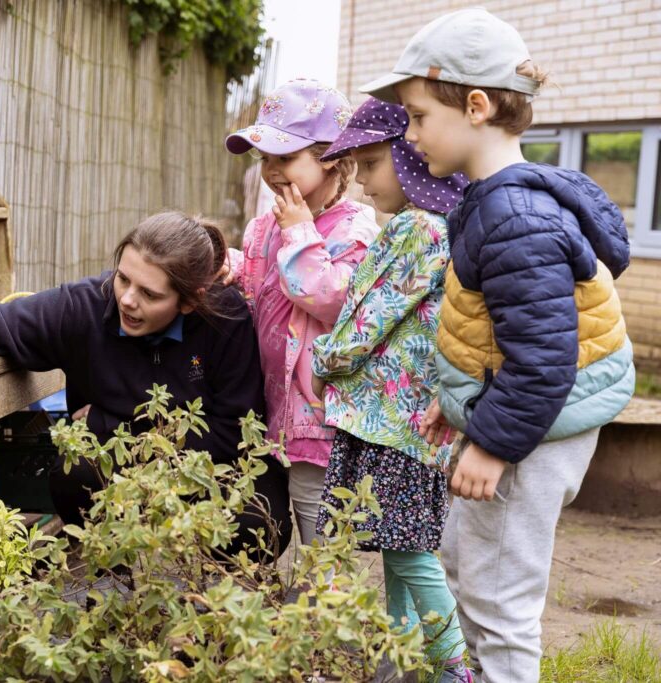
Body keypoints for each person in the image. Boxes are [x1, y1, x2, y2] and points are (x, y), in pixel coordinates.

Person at [362, 9, 635, 681]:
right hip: (521, 417)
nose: (413, 133)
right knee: (463, 561)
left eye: (419, 116)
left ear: (476, 106)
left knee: (499, 601)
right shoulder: (497, 200)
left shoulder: (514, 218)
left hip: (531, 429)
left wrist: (488, 442)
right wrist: (454, 405)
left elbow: (543, 356)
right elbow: (491, 327)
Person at [0, 211, 294, 559]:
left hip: (214, 472)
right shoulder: (84, 307)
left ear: (190, 302)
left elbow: (234, 432)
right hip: (122, 477)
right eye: (123, 278)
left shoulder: (226, 318)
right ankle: (117, 575)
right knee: (75, 474)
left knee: (261, 520)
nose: (128, 300)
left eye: (150, 294)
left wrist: (112, 422)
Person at [310, 97, 471, 681]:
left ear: (408, 160)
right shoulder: (439, 227)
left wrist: (323, 361)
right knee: (399, 555)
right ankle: (399, 665)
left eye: (373, 165)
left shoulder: (417, 227)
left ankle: (453, 670)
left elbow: (368, 319)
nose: (363, 185)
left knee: (409, 553)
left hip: (393, 423)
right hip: (401, 422)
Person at [222, 79, 380, 546]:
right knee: (266, 531)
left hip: (320, 422)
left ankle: (324, 617)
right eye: (265, 158)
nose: (271, 171)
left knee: (322, 546)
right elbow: (256, 286)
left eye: (285, 158)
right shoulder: (263, 227)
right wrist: (226, 264)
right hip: (270, 414)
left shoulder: (354, 230)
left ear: (331, 157)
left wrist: (299, 233)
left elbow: (334, 300)